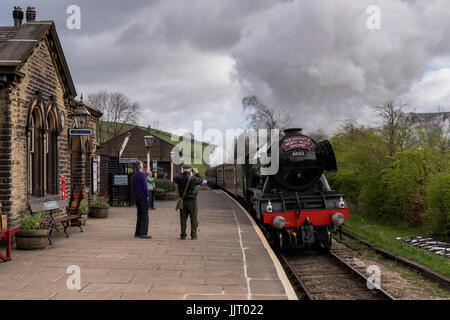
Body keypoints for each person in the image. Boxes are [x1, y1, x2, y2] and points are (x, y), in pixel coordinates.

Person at [174, 164, 202, 240]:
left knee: (183, 218)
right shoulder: (193, 178)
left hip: (182, 201)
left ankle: (183, 235)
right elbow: (200, 180)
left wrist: (182, 172)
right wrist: (196, 173)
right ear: (190, 170)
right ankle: (193, 235)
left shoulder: (179, 177)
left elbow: (175, 178)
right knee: (193, 218)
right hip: (192, 201)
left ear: (183, 169)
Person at [132, 161, 151, 239]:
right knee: (145, 215)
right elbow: (145, 186)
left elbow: (133, 187)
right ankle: (143, 233)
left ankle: (137, 232)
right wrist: (147, 195)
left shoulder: (134, 176)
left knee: (139, 214)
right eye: (142, 165)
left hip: (137, 196)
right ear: (140, 166)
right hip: (143, 196)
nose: (143, 166)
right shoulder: (142, 175)